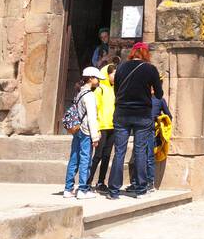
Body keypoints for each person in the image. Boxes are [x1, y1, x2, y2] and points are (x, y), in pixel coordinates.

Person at [106, 42, 163, 200]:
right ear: (145, 53)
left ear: (133, 52)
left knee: (119, 152)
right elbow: (159, 94)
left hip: (122, 113)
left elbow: (116, 90)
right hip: (142, 114)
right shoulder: (150, 69)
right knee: (140, 151)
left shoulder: (122, 67)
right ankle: (140, 189)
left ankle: (114, 191)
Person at [62, 66, 100, 200]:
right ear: (90, 78)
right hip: (86, 130)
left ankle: (68, 188)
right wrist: (95, 136)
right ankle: (83, 189)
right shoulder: (89, 95)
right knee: (85, 159)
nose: (98, 81)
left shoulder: (79, 93)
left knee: (74, 158)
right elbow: (91, 117)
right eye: (96, 78)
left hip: (78, 130)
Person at [89, 62, 116, 193]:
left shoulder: (115, 90)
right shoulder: (99, 90)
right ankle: (88, 181)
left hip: (112, 127)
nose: (115, 76)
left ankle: (101, 182)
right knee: (98, 155)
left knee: (106, 156)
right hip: (102, 127)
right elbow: (94, 110)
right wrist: (96, 128)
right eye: (113, 74)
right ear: (107, 74)